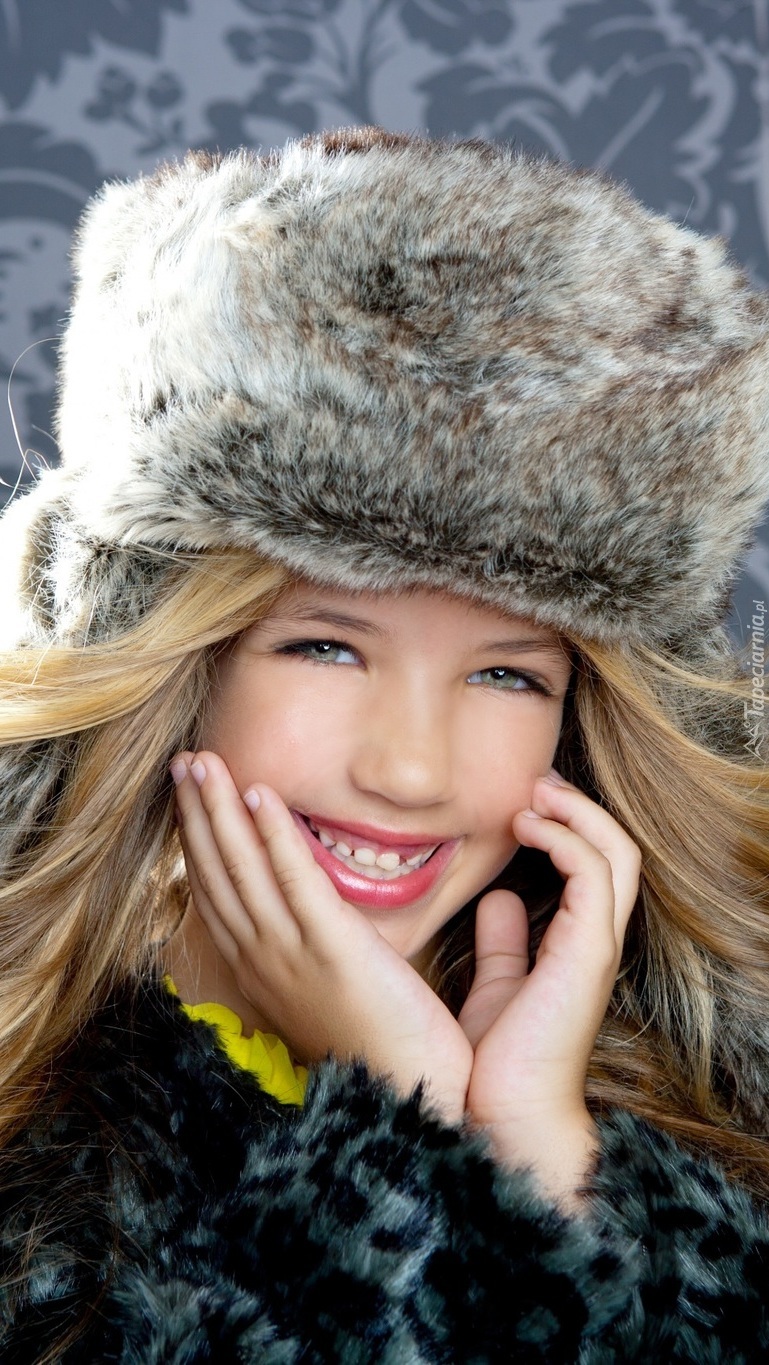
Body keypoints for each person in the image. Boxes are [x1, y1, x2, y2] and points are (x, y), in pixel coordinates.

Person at [0, 123, 769, 1363]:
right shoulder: (32, 1133)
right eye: (326, 646)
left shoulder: (698, 1134)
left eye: (508, 674)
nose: (410, 772)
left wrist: (535, 1156)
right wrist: (394, 1129)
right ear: (177, 660)